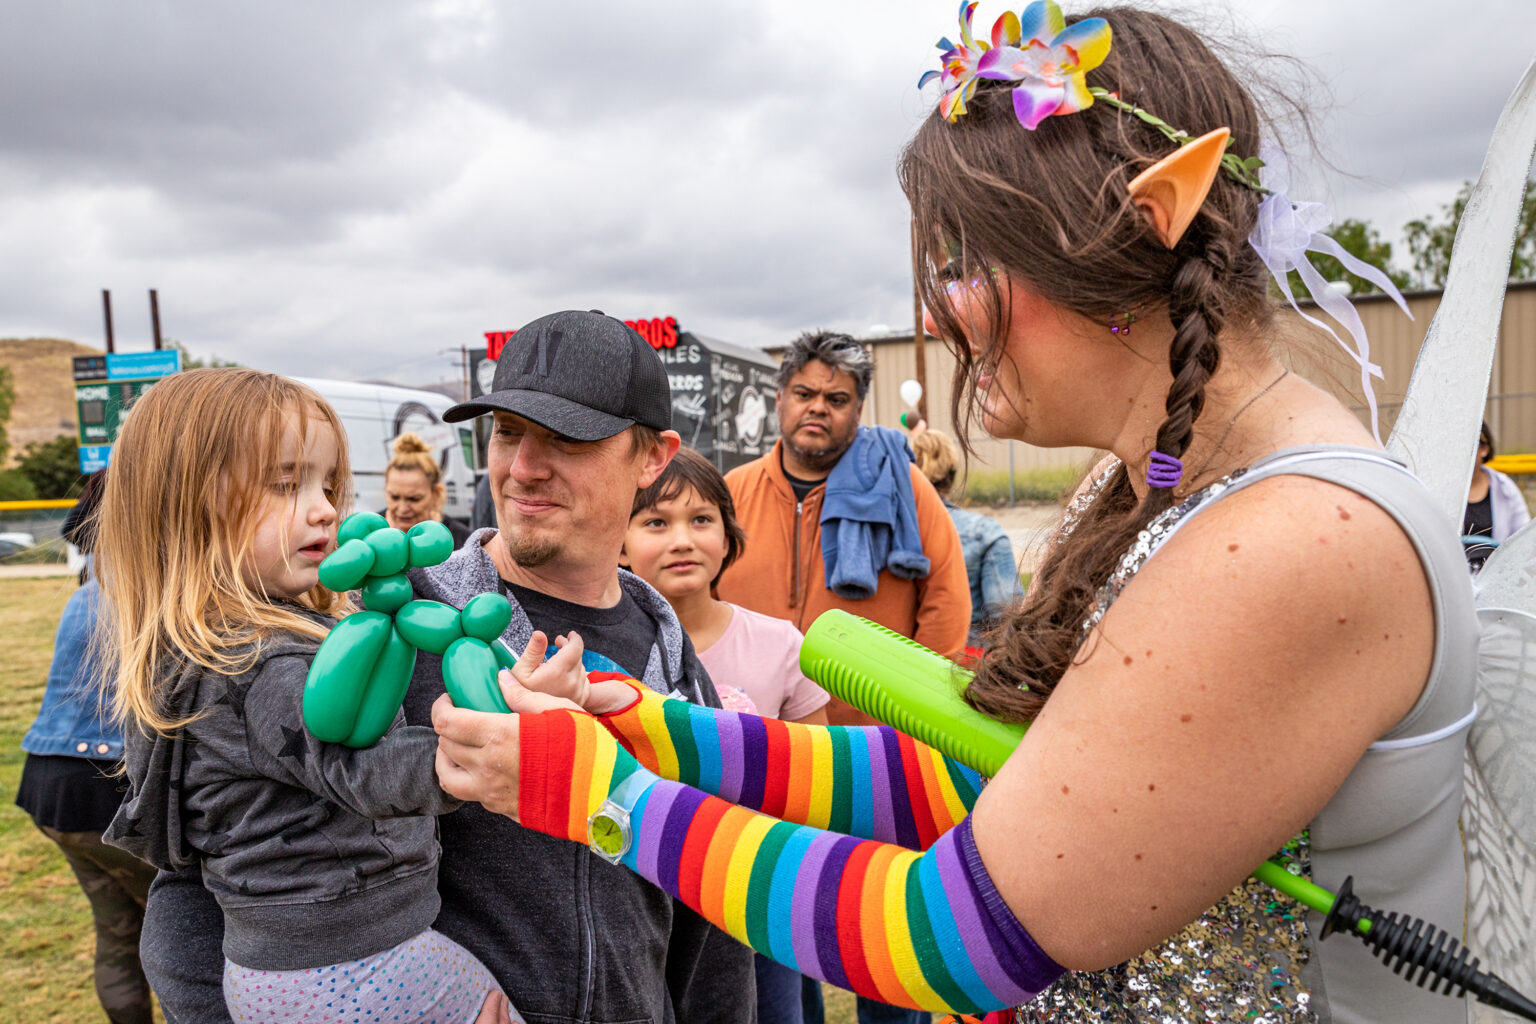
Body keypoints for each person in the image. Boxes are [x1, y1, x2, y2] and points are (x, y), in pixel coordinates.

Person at [430, 5, 1480, 1024]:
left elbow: (951, 930)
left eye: (973, 261)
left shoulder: (1293, 540)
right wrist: (656, 730)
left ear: (1146, 226)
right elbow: (971, 781)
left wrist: (599, 794)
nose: (940, 312)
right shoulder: (1179, 486)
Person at [125, 312, 756, 1024]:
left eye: (566, 438)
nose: (522, 467)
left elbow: (713, 908)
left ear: (654, 457)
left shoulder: (671, 657)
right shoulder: (390, 629)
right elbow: (205, 884)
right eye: (510, 432)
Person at [95, 368, 517, 1023]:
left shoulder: (212, 645)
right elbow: (356, 761)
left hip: (294, 970)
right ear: (187, 502)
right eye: (287, 484)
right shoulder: (257, 660)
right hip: (353, 966)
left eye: (327, 484)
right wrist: (474, 755)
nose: (324, 508)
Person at [718, 328, 969, 1024]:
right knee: (773, 928)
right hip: (760, 754)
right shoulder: (732, 494)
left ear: (860, 408)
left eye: (837, 397)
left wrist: (913, 722)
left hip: (873, 757)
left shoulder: (903, 486)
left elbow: (946, 603)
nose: (817, 408)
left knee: (882, 938)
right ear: (780, 398)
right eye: (804, 393)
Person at [622, 444, 832, 1024]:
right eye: (656, 522)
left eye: (701, 520)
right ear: (620, 539)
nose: (682, 540)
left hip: (758, 895)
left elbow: (815, 781)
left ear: (728, 534)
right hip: (644, 897)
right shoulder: (597, 652)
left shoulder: (781, 645)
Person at [16, 471, 157, 1024]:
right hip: (102, 788)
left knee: (118, 933)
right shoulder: (146, 591)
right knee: (190, 932)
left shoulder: (88, 591)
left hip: (48, 786)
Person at [909, 428, 1023, 650]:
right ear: (952, 474)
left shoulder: (891, 533)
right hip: (967, 665)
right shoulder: (985, 533)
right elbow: (1007, 616)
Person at [385, 431, 472, 548]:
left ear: (436, 494)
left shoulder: (462, 540)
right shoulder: (372, 534)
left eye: (414, 499)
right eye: (394, 497)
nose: (402, 508)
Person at [1463, 419, 1529, 570]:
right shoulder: (1438, 488)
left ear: (1484, 449)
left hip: (1495, 574)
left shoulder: (1505, 488)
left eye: (1471, 445)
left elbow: (1522, 537)